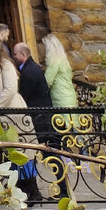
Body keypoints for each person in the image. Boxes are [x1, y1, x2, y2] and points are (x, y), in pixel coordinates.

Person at [0, 33, 39, 204]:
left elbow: (10, 89)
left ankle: (31, 193)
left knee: (20, 154)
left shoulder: (6, 65)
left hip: (12, 118)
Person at [14, 41, 63, 199]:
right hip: (42, 117)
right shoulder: (31, 68)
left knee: (50, 154)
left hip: (41, 120)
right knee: (43, 155)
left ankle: (63, 189)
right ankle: (35, 191)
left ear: (23, 55)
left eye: (15, 54)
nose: (14, 57)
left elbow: (24, 96)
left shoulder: (29, 72)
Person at [42, 34, 78, 109]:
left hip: (61, 98)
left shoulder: (54, 61)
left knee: (63, 120)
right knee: (72, 119)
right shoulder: (64, 60)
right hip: (69, 96)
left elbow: (47, 81)